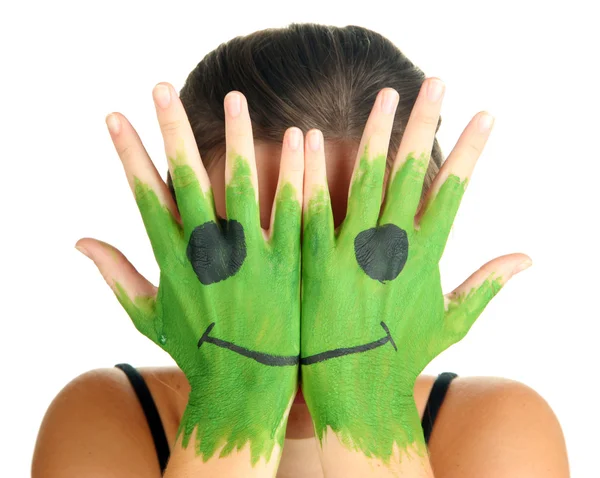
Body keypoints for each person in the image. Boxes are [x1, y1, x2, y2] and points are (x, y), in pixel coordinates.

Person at [32, 23, 569, 477]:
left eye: (353, 250)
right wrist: (236, 400)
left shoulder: (502, 427)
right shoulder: (103, 417)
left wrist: (366, 404)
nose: (317, 303)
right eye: (255, 248)